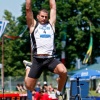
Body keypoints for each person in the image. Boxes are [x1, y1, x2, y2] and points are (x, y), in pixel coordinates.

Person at [24, 0, 67, 99]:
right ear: (37, 17)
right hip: (37, 60)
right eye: (42, 16)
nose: (44, 18)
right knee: (29, 87)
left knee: (63, 71)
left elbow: (53, 7)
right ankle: (28, 67)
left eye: (45, 17)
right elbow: (28, 9)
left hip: (50, 59)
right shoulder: (33, 25)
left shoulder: (51, 25)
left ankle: (59, 92)